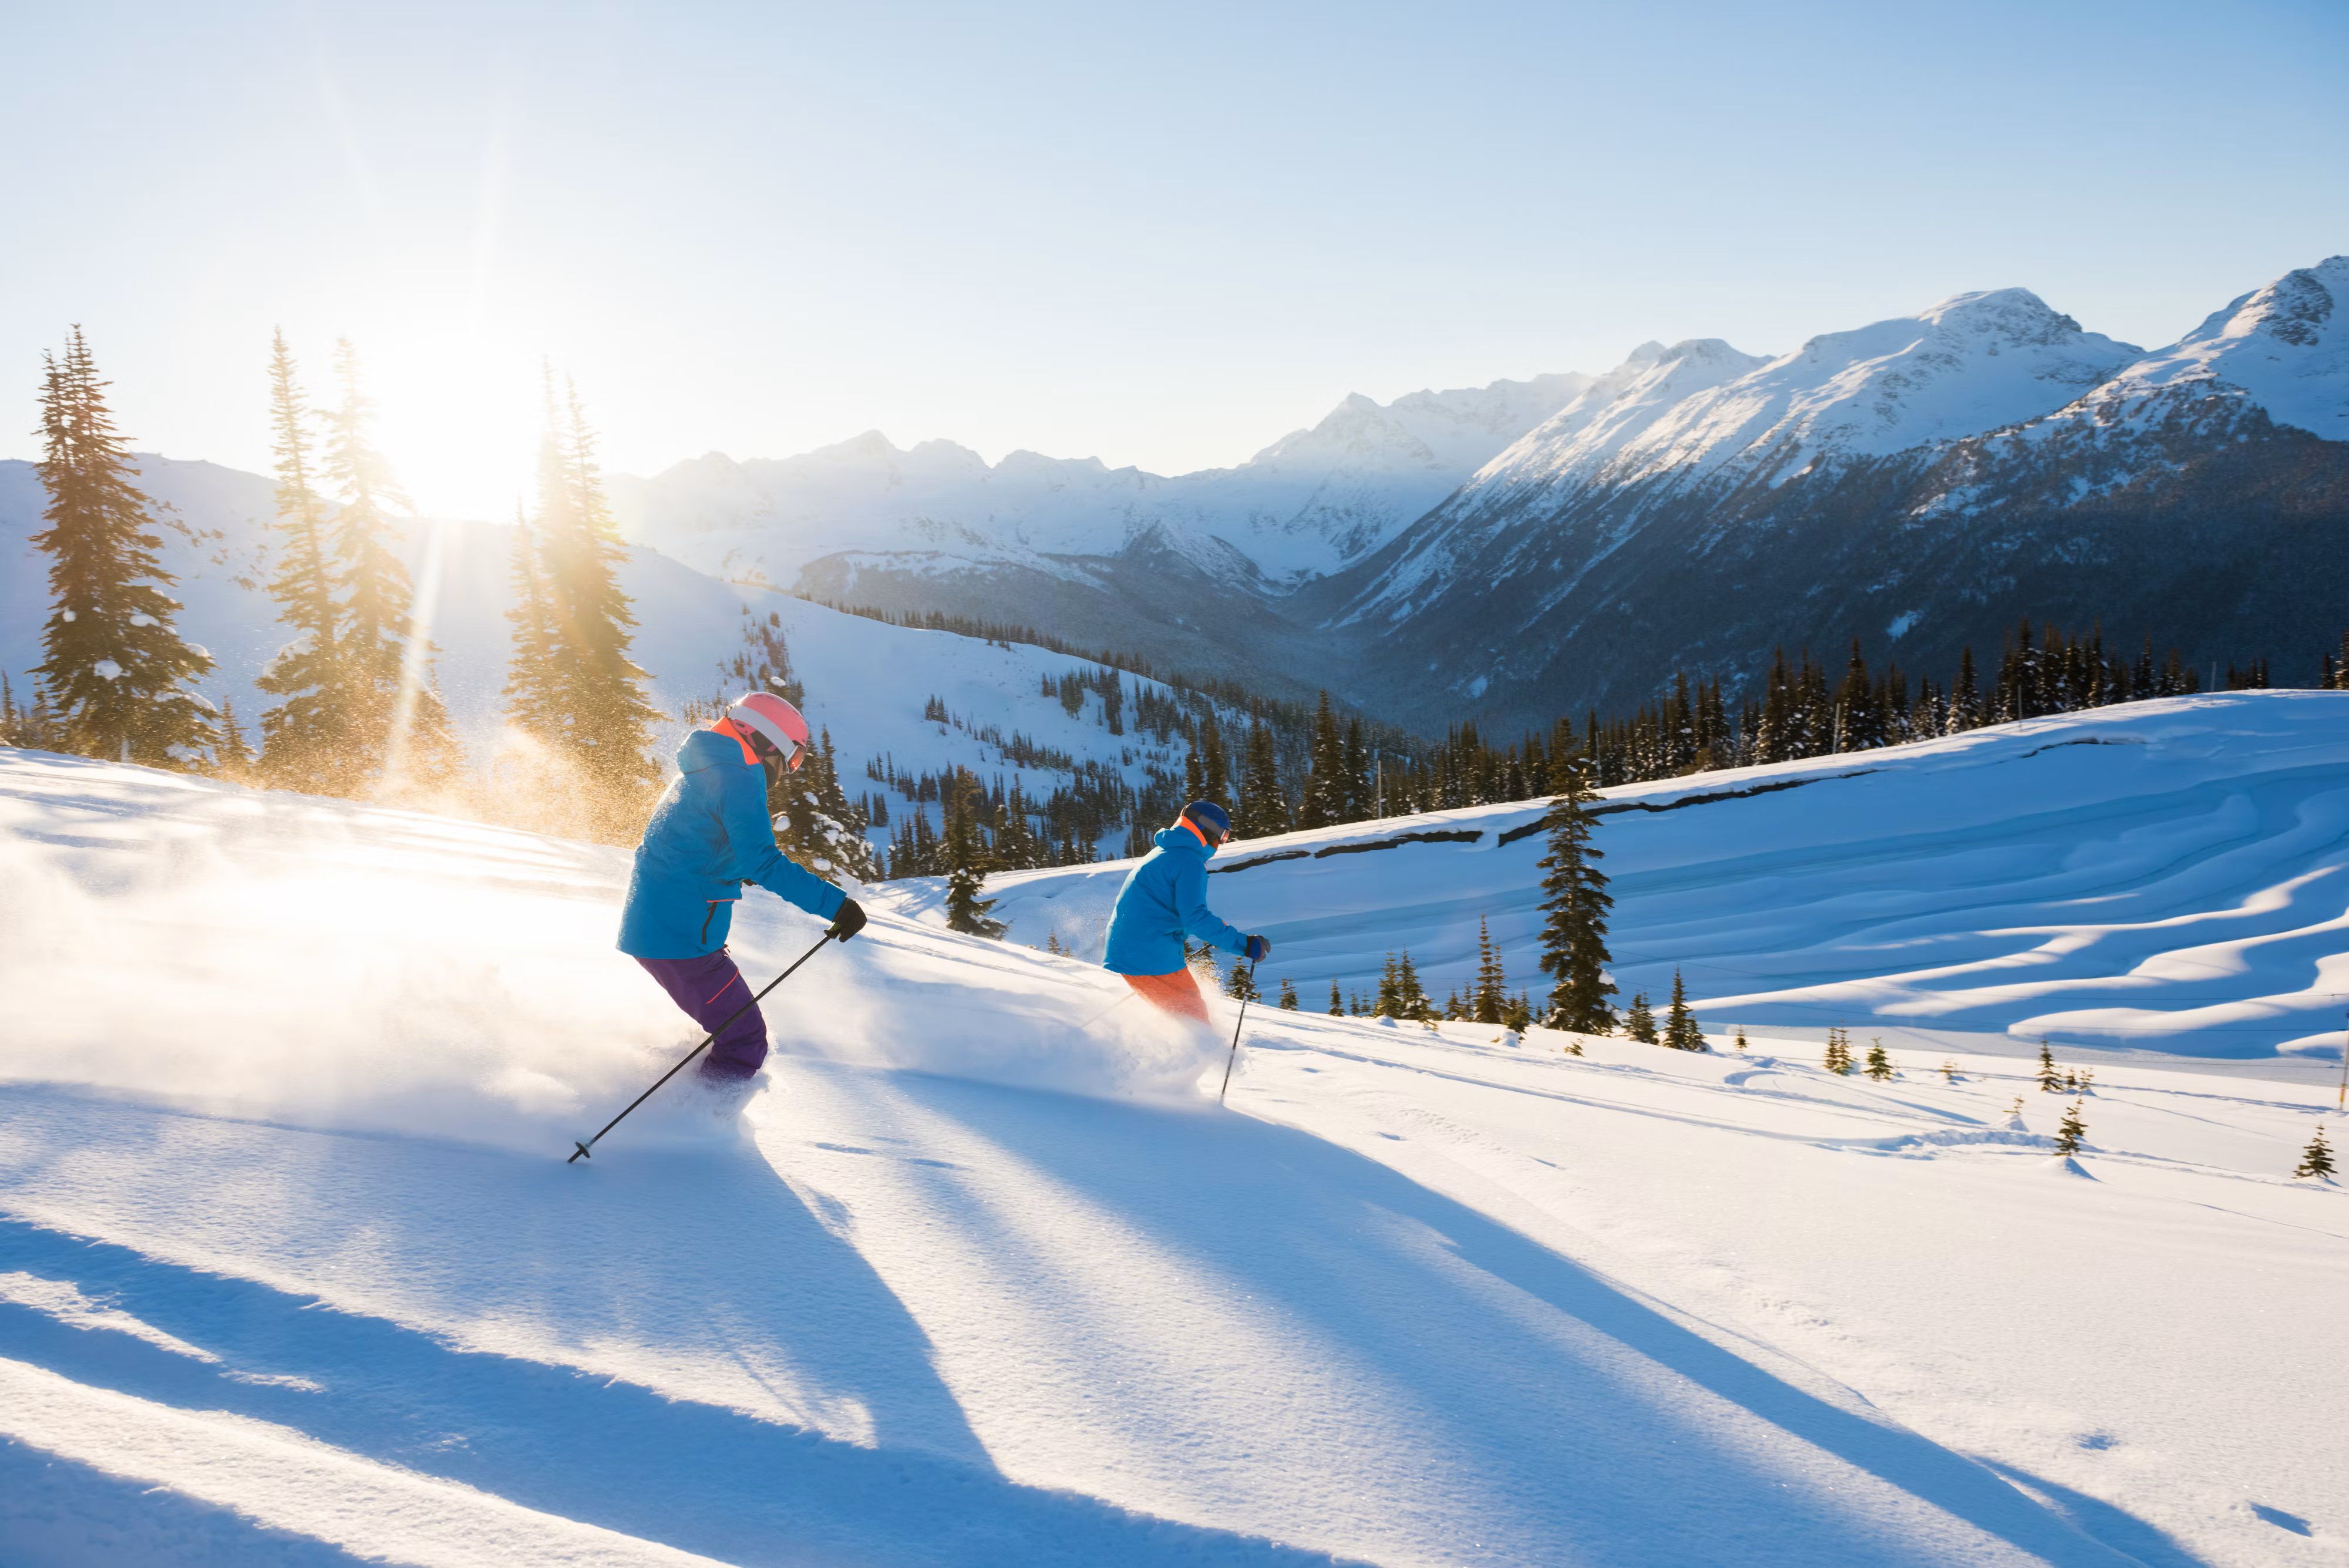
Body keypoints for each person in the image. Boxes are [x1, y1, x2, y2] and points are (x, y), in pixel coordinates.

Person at [617, 691, 867, 1081]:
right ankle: (701, 1121)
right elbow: (764, 862)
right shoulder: (738, 779)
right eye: (793, 758)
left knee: (734, 1029)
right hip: (681, 941)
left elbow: (692, 840)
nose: (790, 770)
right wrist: (836, 906)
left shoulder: (708, 766)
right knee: (745, 1039)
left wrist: (732, 863)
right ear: (768, 742)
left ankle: (692, 1106)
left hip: (661, 929)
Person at [1102, 799, 1270, 1027]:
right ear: (1207, 830)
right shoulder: (1189, 861)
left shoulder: (1164, 852)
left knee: (1180, 1020)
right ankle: (1201, 1059)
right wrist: (1245, 945)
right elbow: (1196, 918)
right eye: (1223, 836)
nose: (1221, 843)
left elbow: (1158, 907)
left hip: (1135, 950)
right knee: (1195, 1021)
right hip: (1148, 954)